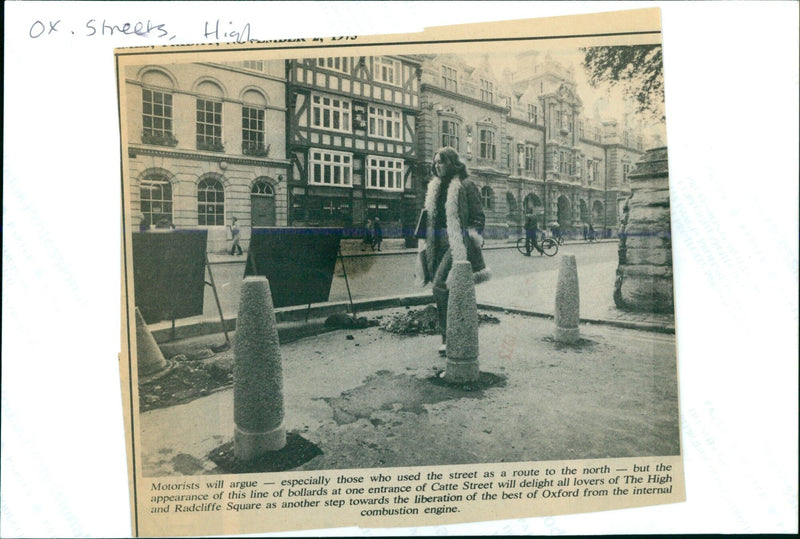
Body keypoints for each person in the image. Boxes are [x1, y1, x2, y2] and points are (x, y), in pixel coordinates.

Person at [415, 147, 490, 357]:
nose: (437, 166)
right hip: (435, 243)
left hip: (455, 243)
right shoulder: (435, 187)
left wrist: (471, 237)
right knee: (444, 288)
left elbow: (478, 216)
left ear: (452, 163)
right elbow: (430, 217)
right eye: (435, 162)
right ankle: (454, 333)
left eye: (442, 162)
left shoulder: (465, 185)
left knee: (441, 284)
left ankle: (450, 337)